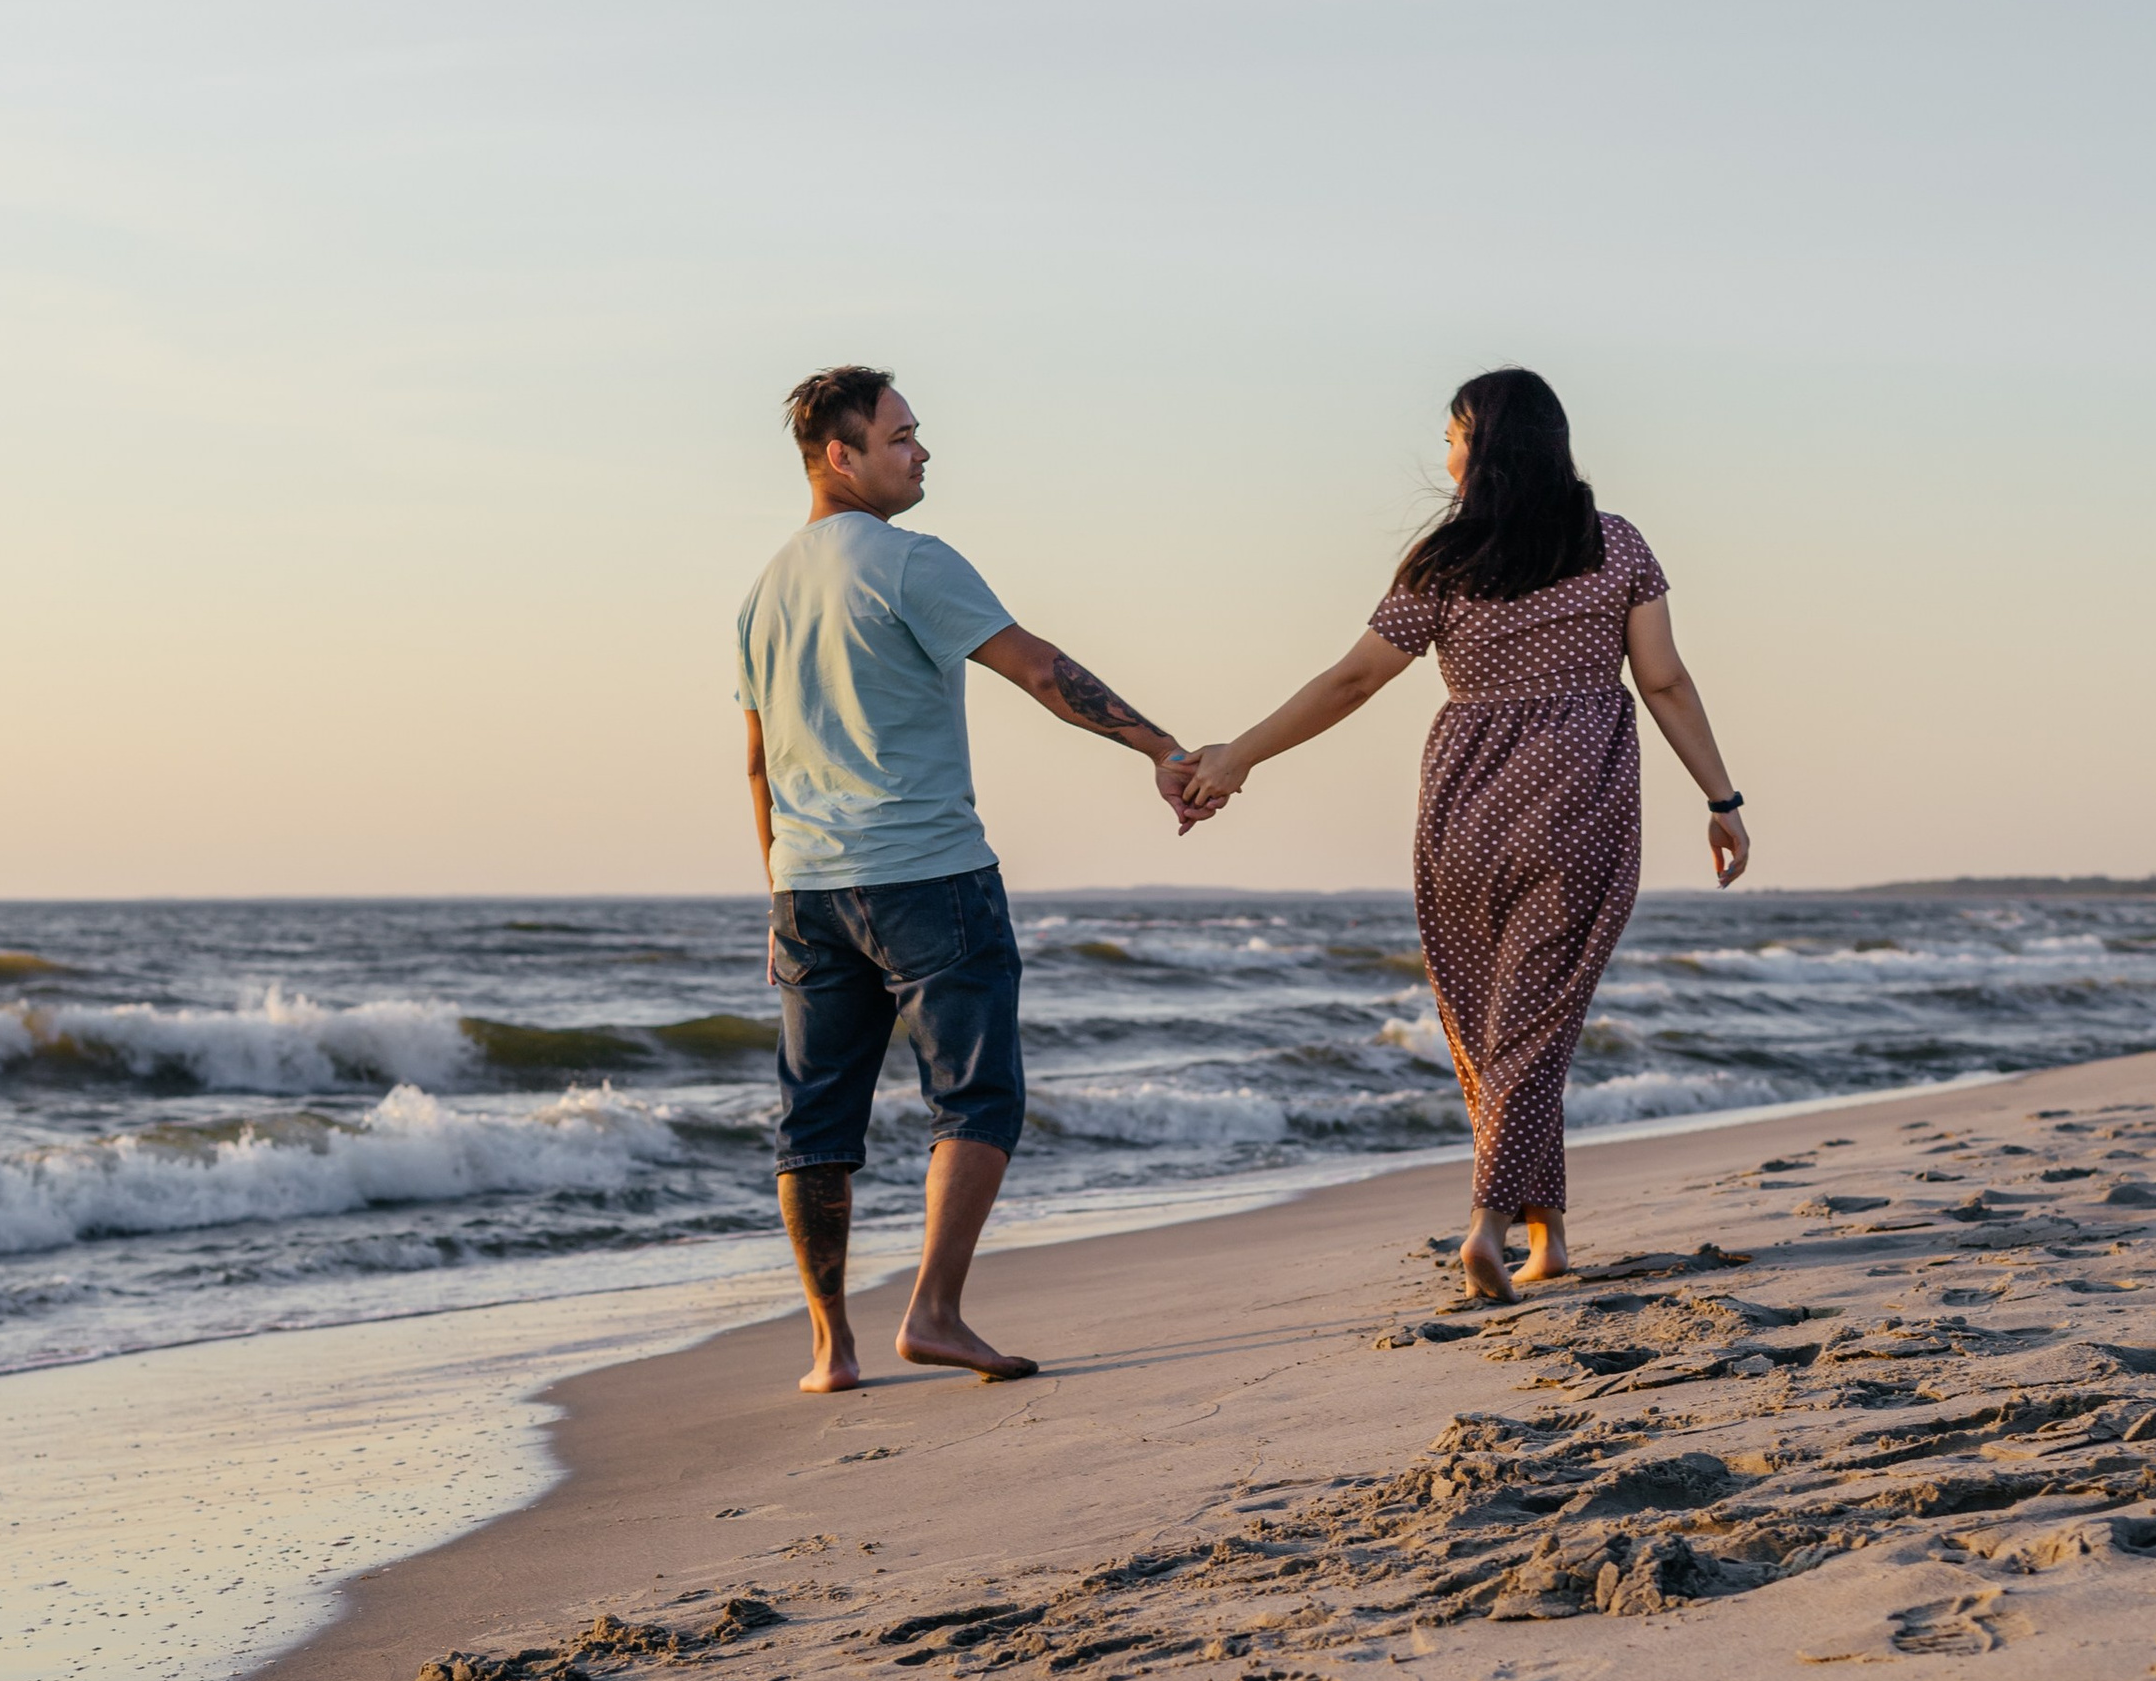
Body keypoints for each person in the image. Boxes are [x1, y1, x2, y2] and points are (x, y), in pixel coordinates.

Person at [1178, 367, 1747, 1296]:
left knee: (1498, 1023)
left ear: (1483, 449)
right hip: (1580, 805)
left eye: (1451, 435)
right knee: (1534, 1018)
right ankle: (1499, 1224)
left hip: (1465, 810)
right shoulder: (1617, 546)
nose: (1442, 452)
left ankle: (1537, 1235)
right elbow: (1666, 680)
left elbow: (1352, 680)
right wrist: (1721, 801)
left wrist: (1240, 755)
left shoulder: (1442, 563)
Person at [739, 364, 1198, 1392]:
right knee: (976, 1098)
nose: (922, 450)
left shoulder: (762, 593)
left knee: (813, 1117)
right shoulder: (908, 563)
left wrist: (777, 895)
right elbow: (1041, 670)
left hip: (808, 890)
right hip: (928, 875)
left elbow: (759, 764)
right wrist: (1161, 747)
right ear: (839, 457)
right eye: (900, 437)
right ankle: (935, 1312)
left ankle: (830, 1350)